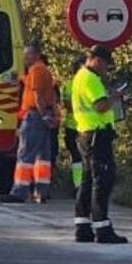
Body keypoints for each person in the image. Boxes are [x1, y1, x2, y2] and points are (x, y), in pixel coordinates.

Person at [72, 44, 127, 244]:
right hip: (97, 136)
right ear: (97, 60)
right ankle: (102, 228)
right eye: (105, 64)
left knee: (88, 181)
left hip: (86, 134)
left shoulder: (80, 76)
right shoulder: (91, 79)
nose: (106, 69)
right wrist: (115, 97)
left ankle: (83, 226)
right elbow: (101, 106)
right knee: (102, 181)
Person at [0, 42, 56, 204]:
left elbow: (37, 95)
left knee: (25, 154)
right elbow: (30, 83)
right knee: (43, 157)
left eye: (28, 54)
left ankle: (19, 192)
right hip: (42, 115)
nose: (25, 57)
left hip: (35, 116)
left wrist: (43, 114)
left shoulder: (37, 70)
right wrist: (18, 79)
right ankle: (42, 192)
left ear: (37, 55)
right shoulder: (41, 70)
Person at [60, 55, 86, 195]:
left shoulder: (88, 83)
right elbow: (68, 105)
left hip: (85, 126)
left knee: (83, 158)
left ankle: (83, 185)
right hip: (74, 126)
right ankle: (78, 185)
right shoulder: (70, 84)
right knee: (77, 157)